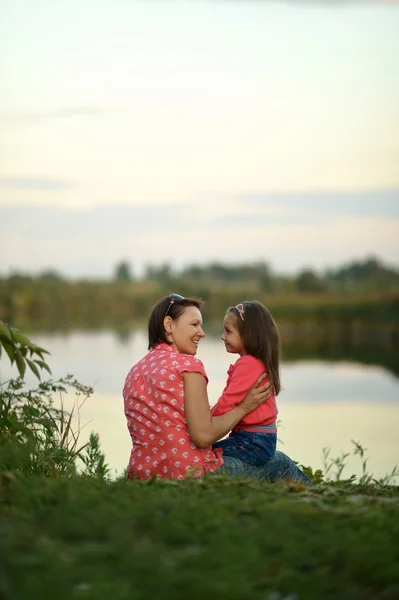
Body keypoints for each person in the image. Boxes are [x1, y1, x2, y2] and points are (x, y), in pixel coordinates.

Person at [123, 294, 310, 483]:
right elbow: (203, 437)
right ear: (169, 325)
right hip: (189, 473)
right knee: (282, 462)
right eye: (194, 325)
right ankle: (321, 503)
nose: (202, 333)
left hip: (144, 474)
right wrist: (244, 407)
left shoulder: (135, 372)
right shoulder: (188, 366)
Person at [211, 301, 280, 466]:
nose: (222, 337)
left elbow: (227, 403)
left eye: (228, 331)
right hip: (262, 440)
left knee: (203, 453)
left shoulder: (248, 364)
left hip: (253, 441)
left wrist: (204, 422)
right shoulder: (257, 362)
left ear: (248, 335)